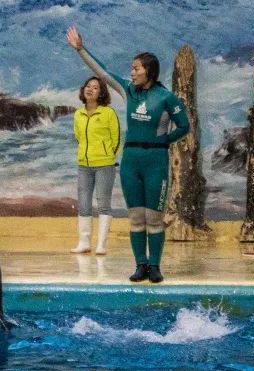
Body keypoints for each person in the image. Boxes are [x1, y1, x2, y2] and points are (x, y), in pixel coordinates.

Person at [66, 27, 189, 283]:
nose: (131, 72)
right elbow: (102, 72)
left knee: (154, 219)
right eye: (132, 69)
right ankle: (140, 265)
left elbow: (184, 126)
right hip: (131, 161)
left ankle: (154, 266)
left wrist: (164, 140)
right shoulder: (129, 91)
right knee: (135, 218)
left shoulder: (166, 97)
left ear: (149, 71)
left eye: (136, 69)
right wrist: (80, 49)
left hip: (156, 161)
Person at [71, 76, 120, 255]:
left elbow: (116, 139)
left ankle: (101, 244)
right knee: (84, 204)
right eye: (88, 86)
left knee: (103, 204)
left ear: (101, 93)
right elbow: (78, 136)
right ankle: (84, 242)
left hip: (104, 165)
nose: (90, 89)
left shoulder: (108, 113)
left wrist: (108, 157)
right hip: (84, 165)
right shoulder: (78, 114)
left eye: (95, 88)